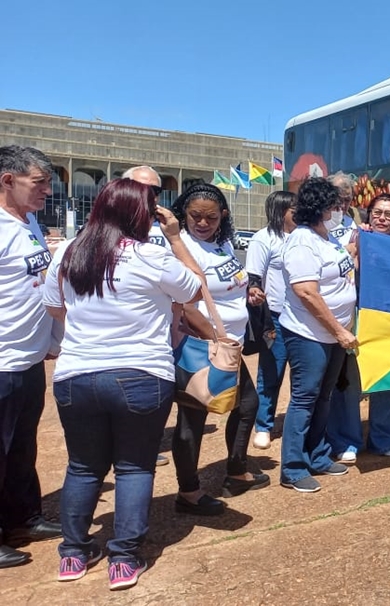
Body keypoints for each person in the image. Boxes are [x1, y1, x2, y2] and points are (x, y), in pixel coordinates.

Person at [44, 179, 202, 589]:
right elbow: (195, 288)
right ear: (141, 215)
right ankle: (124, 558)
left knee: (82, 467)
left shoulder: (69, 250)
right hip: (140, 373)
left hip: (77, 373)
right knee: (134, 466)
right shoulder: (153, 256)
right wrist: (174, 236)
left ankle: (73, 554)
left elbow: (54, 306)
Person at [171, 184, 270, 515]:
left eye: (210, 217)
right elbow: (185, 305)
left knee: (246, 405)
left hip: (228, 346)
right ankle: (189, 492)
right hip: (202, 346)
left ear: (222, 216)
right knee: (193, 417)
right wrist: (217, 338)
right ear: (184, 213)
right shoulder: (183, 247)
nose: (202, 223)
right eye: (195, 216)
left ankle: (235, 470)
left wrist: (249, 294)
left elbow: (230, 285)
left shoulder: (223, 243)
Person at [0, 146, 62, 569]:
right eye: (38, 182)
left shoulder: (30, 223)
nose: (47, 189)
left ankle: (23, 517)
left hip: (30, 358)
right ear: (7, 180)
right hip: (2, 360)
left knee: (22, 447)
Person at [279, 178, 357, 493]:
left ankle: (318, 455)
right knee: (304, 398)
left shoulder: (324, 235)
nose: (337, 208)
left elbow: (338, 269)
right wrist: (339, 330)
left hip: (334, 335)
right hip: (309, 334)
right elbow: (306, 293)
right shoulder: (301, 242)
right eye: (332, 204)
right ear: (318, 206)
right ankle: (293, 468)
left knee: (324, 397)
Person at [351, 193, 390, 456]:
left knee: (387, 380)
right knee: (352, 383)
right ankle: (348, 440)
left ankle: (382, 438)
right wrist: (357, 243)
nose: (382, 218)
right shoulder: (357, 237)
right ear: (369, 214)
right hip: (358, 316)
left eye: (389, 214)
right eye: (377, 212)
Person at [121, 165, 171, 467]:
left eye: (155, 191)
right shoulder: (98, 231)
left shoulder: (163, 231)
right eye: (141, 189)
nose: (149, 198)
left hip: (157, 337)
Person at [246, 191, 297, 450]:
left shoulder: (303, 237)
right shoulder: (263, 239)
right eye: (292, 209)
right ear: (279, 211)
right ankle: (263, 425)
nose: (297, 212)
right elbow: (253, 277)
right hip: (274, 317)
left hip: (301, 316)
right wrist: (255, 295)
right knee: (271, 371)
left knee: (301, 375)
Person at [324, 173, 364, 464]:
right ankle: (322, 440)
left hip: (349, 316)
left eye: (347, 197)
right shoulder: (312, 227)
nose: (342, 203)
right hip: (317, 319)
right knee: (319, 384)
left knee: (348, 382)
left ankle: (348, 439)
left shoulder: (358, 227)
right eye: (337, 197)